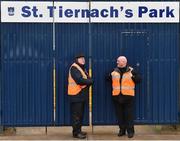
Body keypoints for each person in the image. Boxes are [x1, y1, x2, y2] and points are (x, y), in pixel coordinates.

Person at [107, 56, 141, 138]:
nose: (117, 62)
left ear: (124, 62)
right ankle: (122, 130)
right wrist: (109, 76)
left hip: (128, 97)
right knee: (119, 115)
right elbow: (108, 79)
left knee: (129, 115)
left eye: (119, 61)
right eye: (117, 61)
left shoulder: (132, 71)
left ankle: (130, 132)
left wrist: (134, 77)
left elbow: (139, 80)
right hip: (117, 96)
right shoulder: (114, 71)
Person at [68, 53, 93, 139]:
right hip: (76, 95)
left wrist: (89, 80)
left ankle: (79, 130)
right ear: (77, 60)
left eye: (84, 58)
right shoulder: (74, 68)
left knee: (80, 115)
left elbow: (87, 78)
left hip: (81, 95)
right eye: (81, 58)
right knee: (77, 115)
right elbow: (79, 80)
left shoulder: (82, 68)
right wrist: (89, 81)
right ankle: (76, 133)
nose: (83, 60)